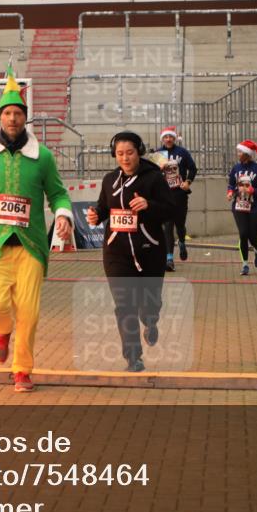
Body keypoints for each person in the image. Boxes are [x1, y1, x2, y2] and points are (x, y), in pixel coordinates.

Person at [0, 65, 73, 392]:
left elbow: (58, 193)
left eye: (18, 113)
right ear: (0, 117)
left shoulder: (43, 157)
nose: (12, 119)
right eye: (7, 113)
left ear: (25, 118)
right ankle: (2, 331)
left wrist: (63, 215)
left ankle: (22, 369)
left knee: (30, 313)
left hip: (31, 245)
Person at [86, 131, 174, 372]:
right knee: (124, 304)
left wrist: (149, 205)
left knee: (149, 302)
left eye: (130, 153)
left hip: (150, 251)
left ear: (139, 152)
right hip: (116, 252)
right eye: (120, 154)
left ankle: (151, 319)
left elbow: (170, 210)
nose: (125, 158)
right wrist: (96, 215)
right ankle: (133, 357)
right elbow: (104, 208)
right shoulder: (109, 180)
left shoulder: (154, 178)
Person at [155, 127, 196, 272]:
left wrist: (188, 182)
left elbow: (193, 168)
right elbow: (153, 174)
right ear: (162, 139)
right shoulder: (158, 154)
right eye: (165, 137)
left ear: (174, 138)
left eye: (170, 137)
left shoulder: (182, 152)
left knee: (180, 225)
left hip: (179, 194)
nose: (168, 139)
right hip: (164, 196)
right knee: (167, 226)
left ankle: (182, 242)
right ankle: (169, 258)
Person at [227, 140, 257, 276]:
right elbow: (231, 185)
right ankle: (245, 264)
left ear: (247, 154)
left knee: (252, 236)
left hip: (255, 207)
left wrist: (253, 191)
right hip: (239, 206)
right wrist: (230, 193)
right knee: (243, 234)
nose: (237, 154)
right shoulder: (235, 169)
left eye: (240, 152)